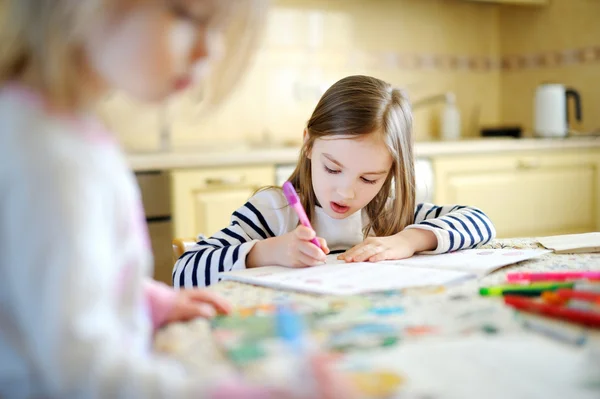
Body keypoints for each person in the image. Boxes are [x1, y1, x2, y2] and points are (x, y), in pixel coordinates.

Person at [0, 0, 352, 398]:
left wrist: (149, 301)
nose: (212, 51)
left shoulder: (58, 128)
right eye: (188, 17)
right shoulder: (50, 162)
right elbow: (83, 371)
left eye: (217, 29)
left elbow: (59, 281)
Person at [173, 75, 496, 288]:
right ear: (309, 144)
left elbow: (481, 223)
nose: (347, 191)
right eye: (332, 169)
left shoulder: (387, 212)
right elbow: (184, 272)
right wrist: (267, 252)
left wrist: (407, 241)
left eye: (369, 178)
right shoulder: (274, 211)